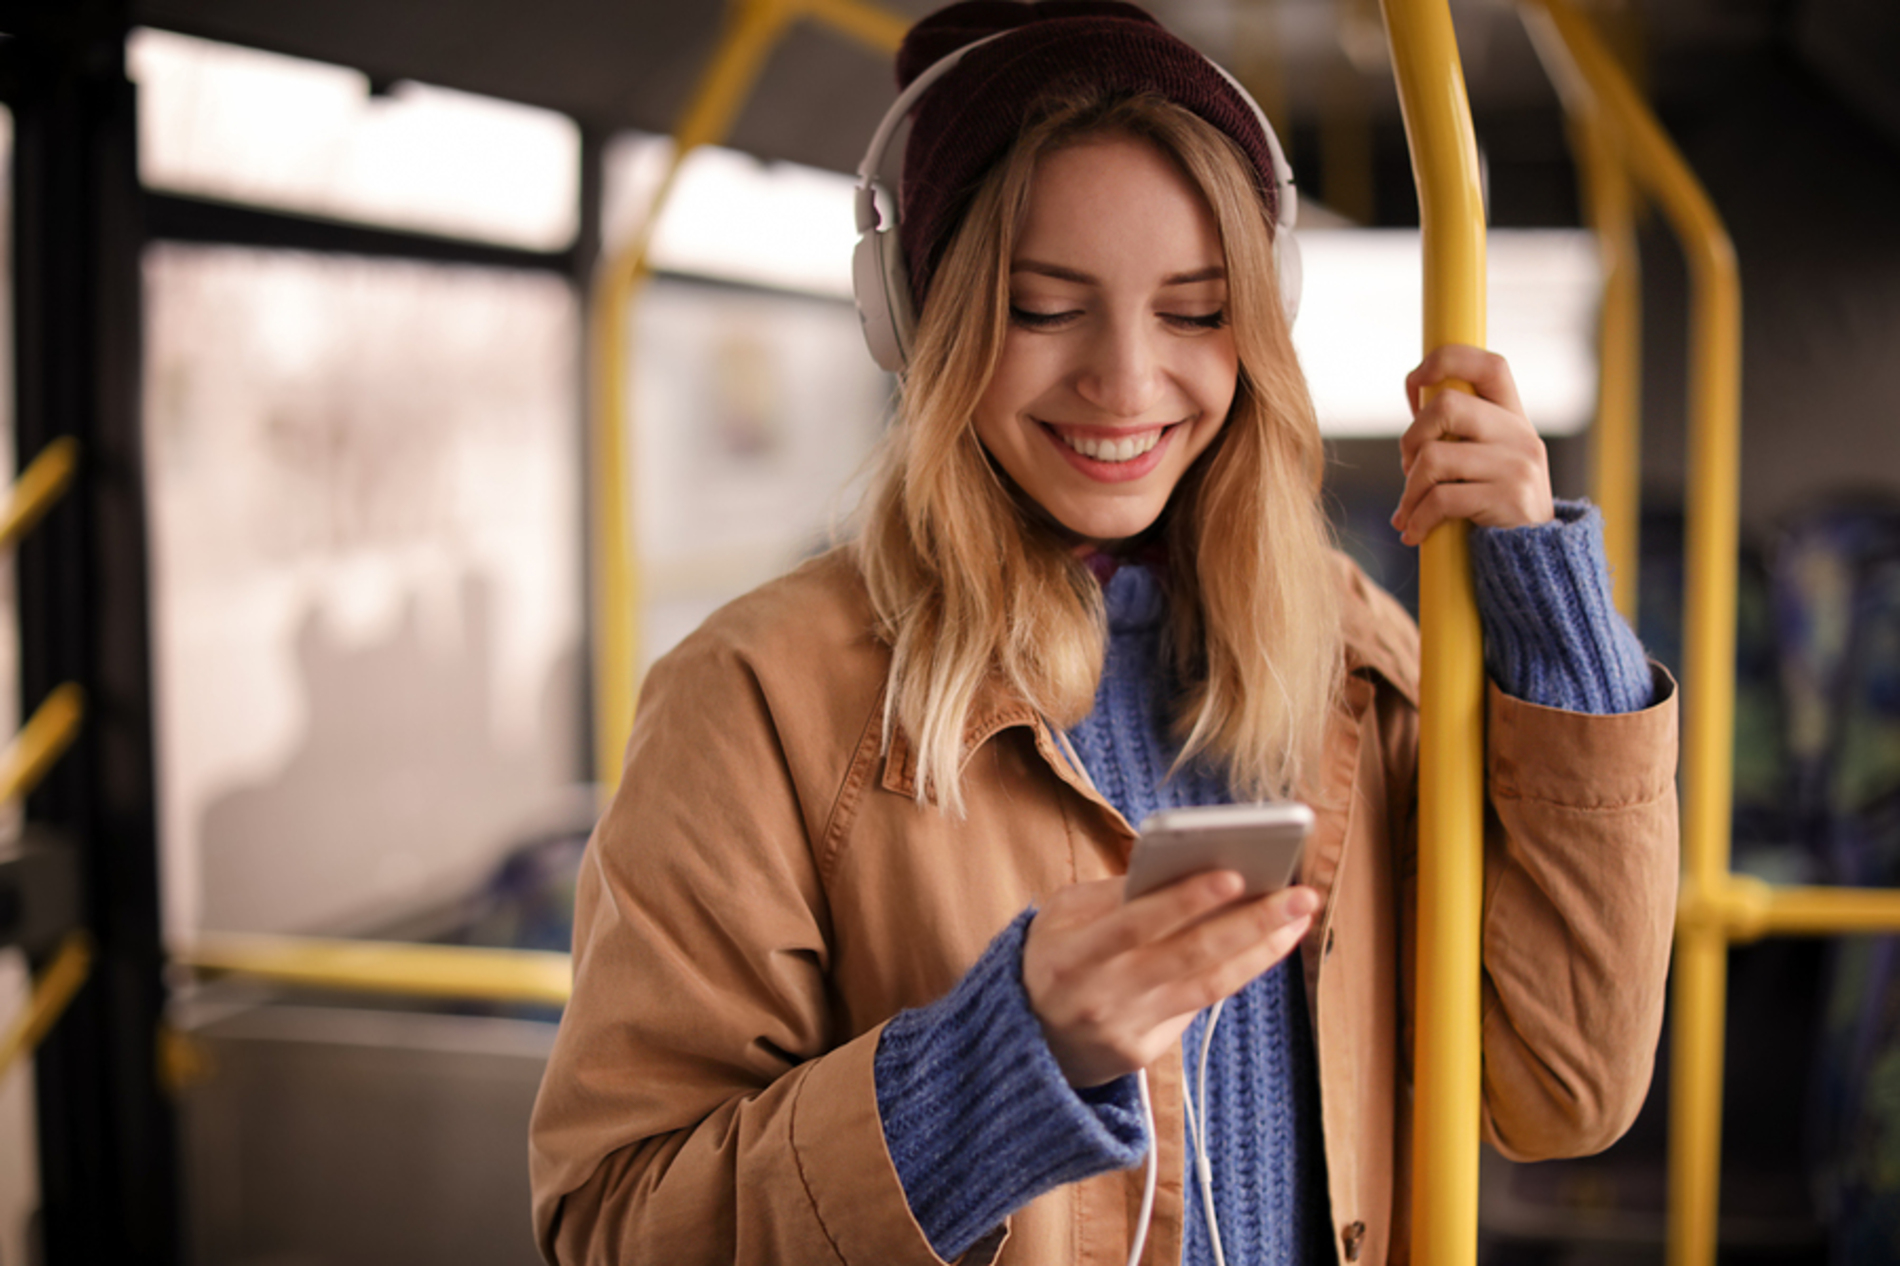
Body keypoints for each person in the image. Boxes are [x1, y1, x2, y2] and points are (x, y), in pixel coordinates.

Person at [528, 4, 1679, 1264]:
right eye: (1041, 308)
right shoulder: (752, 695)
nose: (1126, 385)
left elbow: (1563, 1088)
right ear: (923, 319)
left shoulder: (1346, 649)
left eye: (1193, 312)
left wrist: (1549, 617)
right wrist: (1001, 1067)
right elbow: (618, 1226)